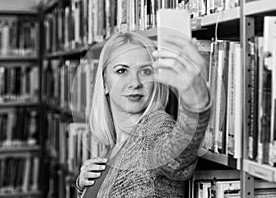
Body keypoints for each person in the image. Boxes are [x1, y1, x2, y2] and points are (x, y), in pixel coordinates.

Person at [75, 31, 211, 197]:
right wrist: (84, 188)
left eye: (146, 72)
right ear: (104, 83)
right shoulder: (111, 148)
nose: (135, 83)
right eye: (121, 71)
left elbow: (176, 159)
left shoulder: (155, 127)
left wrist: (195, 99)